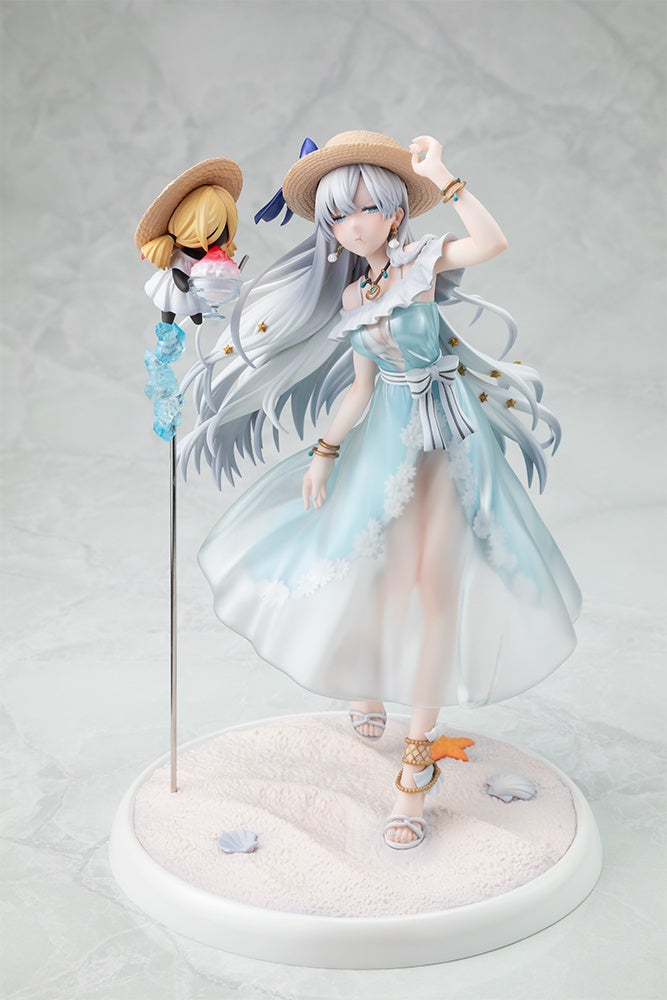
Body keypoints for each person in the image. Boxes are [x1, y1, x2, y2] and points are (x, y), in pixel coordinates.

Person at [179, 131, 581, 849]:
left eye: (367, 209)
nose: (353, 225)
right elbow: (359, 388)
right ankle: (366, 679)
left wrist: (445, 176)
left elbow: (490, 242)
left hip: (450, 444)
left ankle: (415, 768)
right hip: (386, 447)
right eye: (338, 216)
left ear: (396, 213)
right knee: (374, 573)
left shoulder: (421, 262)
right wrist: (324, 453)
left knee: (436, 590)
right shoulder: (352, 294)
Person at [136, 158, 242, 324]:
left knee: (193, 306)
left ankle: (195, 315)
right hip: (179, 288)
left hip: (196, 289)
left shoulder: (207, 259)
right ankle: (168, 322)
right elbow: (179, 277)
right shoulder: (181, 258)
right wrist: (189, 285)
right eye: (212, 232)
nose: (220, 238)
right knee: (169, 304)